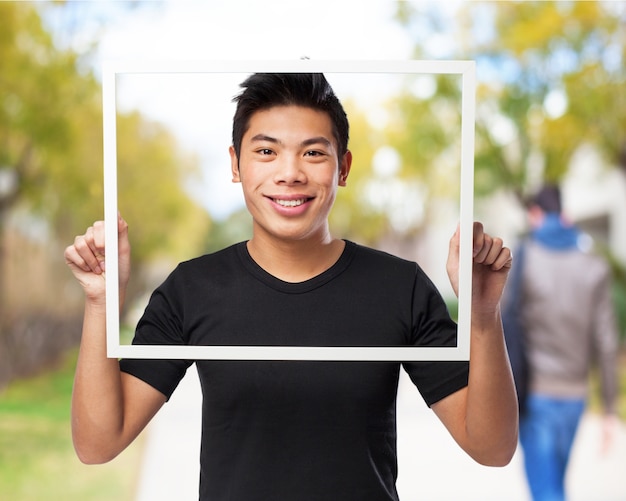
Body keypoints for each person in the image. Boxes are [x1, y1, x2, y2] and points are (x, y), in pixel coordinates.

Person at [64, 73, 518, 500]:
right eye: (266, 151)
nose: (290, 173)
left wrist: (482, 316)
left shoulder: (400, 287)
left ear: (343, 167)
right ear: (235, 164)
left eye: (313, 153)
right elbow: (98, 443)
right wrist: (101, 301)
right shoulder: (192, 288)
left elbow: (492, 448)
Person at [511, 184, 620, 501]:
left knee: (546, 491)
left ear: (535, 215)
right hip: (576, 396)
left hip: (535, 394)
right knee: (555, 484)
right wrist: (610, 408)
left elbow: (504, 323)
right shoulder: (594, 267)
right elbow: (607, 341)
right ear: (566, 215)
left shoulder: (525, 260)